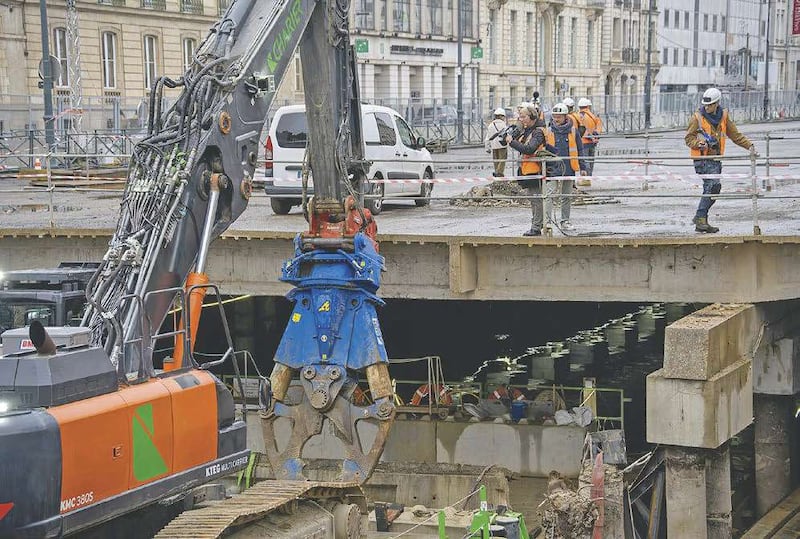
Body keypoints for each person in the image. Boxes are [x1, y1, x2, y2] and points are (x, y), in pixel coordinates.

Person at [685, 87, 756, 233]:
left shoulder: (723, 116)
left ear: (717, 103)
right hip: (702, 159)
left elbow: (735, 135)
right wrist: (699, 144)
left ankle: (700, 216)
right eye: (705, 104)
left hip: (716, 158)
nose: (707, 107)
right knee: (711, 186)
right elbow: (688, 138)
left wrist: (750, 146)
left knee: (715, 189)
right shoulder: (697, 118)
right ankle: (700, 219)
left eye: (710, 105)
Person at [543, 103, 588, 231]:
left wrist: (583, 167)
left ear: (565, 117)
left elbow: (580, 149)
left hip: (569, 167)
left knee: (566, 196)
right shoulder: (549, 131)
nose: (556, 119)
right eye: (554, 116)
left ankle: (565, 221)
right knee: (549, 195)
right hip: (552, 168)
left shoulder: (573, 131)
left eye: (559, 117)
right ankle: (547, 222)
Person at [506, 104, 547, 236]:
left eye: (523, 117)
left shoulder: (538, 132)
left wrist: (512, 142)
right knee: (533, 199)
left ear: (532, 117)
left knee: (536, 200)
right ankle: (536, 224)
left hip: (536, 170)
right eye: (520, 117)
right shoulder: (528, 130)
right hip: (528, 170)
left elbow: (529, 149)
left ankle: (536, 227)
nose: (521, 119)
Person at [577, 98, 602, 180]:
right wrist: (596, 135)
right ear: (588, 106)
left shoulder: (578, 116)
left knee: (585, 161)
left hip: (583, 142)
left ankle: (586, 179)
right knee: (591, 161)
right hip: (592, 141)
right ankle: (589, 177)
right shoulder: (593, 116)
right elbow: (599, 126)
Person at [485, 108, 508, 177]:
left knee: (496, 160)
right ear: (502, 116)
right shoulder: (504, 125)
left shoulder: (491, 125)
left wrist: (487, 147)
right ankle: (499, 172)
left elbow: (487, 137)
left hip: (494, 145)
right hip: (502, 145)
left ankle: (496, 171)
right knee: (502, 159)